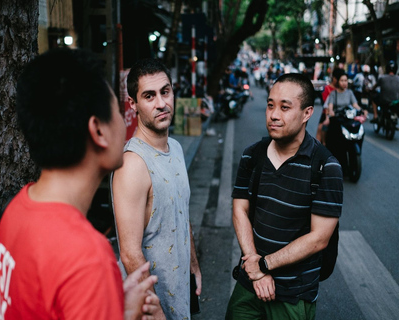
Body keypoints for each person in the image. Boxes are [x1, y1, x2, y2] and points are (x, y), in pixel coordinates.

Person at [0, 48, 162, 320]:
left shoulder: (16, 211)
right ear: (99, 131)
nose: (123, 119)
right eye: (117, 109)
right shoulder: (87, 258)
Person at [226, 73, 343, 320]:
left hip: (294, 295)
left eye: (285, 107)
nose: (274, 115)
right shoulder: (252, 155)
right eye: (270, 105)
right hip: (249, 285)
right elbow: (240, 210)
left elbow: (319, 239)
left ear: (307, 113)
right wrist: (256, 271)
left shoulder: (325, 167)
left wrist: (265, 265)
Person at [112, 58, 202, 320]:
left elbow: (181, 215)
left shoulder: (175, 148)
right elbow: (130, 254)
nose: (161, 103)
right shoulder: (132, 164)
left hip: (181, 291)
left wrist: (193, 267)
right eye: (149, 96)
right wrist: (157, 313)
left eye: (165, 91)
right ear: (133, 104)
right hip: (152, 309)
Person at [315, 68, 344, 145]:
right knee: (321, 128)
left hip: (341, 115)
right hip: (327, 114)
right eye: (339, 79)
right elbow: (326, 104)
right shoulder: (327, 89)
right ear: (334, 78)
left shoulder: (344, 90)